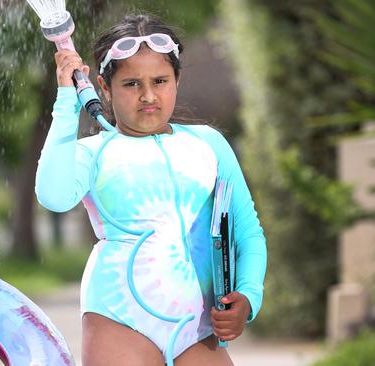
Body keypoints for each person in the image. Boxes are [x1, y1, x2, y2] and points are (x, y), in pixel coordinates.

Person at [35, 13, 267, 366]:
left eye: (160, 80)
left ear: (177, 79)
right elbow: (53, 195)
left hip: (198, 328)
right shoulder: (93, 152)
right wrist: (66, 99)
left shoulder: (209, 143)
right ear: (104, 87)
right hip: (119, 320)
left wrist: (248, 296)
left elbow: (246, 231)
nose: (148, 96)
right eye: (131, 84)